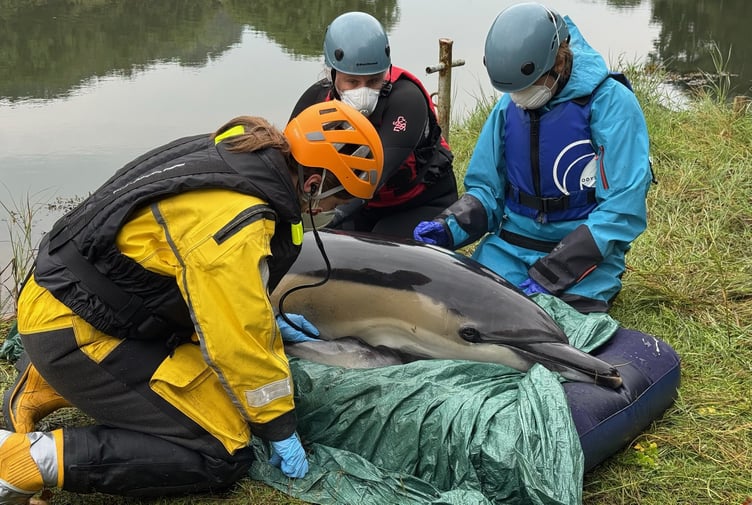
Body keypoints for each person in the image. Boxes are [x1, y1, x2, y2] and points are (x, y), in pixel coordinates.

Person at [0, 100, 383, 502]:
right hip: (78, 330)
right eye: (334, 204)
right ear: (313, 185)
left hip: (73, 303)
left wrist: (268, 315)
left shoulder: (239, 150)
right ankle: (26, 460)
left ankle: (49, 382)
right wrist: (279, 428)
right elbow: (237, 342)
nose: (327, 214)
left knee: (214, 389)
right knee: (223, 447)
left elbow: (205, 281)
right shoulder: (237, 220)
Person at [413, 2, 653, 314]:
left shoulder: (610, 104)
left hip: (581, 252)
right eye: (514, 90)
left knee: (556, 328)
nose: (521, 98)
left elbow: (621, 211)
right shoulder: (509, 106)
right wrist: (448, 226)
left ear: (558, 60)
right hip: (511, 246)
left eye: (529, 85)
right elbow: (487, 191)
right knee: (463, 312)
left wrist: (554, 272)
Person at [289, 11, 457, 238]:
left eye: (374, 80)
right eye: (352, 81)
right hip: (361, 206)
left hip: (421, 203)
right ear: (332, 73)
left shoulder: (406, 100)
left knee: (378, 246)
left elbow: (372, 178)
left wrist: (324, 217)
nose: (363, 91)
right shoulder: (317, 99)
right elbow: (289, 164)